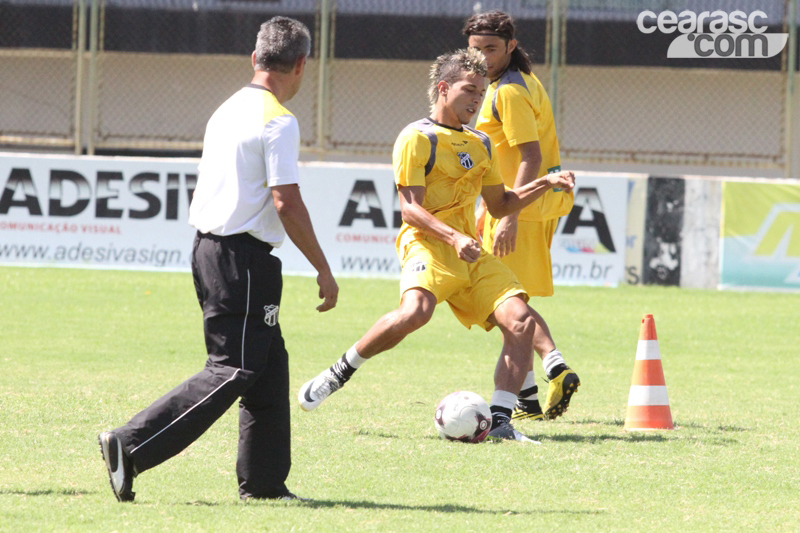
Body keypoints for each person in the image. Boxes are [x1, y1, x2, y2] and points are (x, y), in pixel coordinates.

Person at [98, 16, 339, 502]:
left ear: (254, 58)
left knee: (268, 368)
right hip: (242, 258)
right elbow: (286, 201)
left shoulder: (228, 107)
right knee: (232, 369)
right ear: (301, 64)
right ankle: (131, 444)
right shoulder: (278, 119)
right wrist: (323, 267)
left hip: (210, 250)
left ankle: (265, 484)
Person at [297, 48, 574, 442]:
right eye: (469, 91)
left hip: (470, 252)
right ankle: (339, 371)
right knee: (416, 312)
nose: (477, 100)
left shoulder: (481, 143)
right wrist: (453, 236)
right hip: (427, 244)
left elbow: (501, 204)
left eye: (481, 93)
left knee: (522, 321)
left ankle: (499, 423)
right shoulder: (417, 138)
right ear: (443, 89)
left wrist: (545, 183)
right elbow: (410, 210)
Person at [464, 10, 579, 421]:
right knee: (510, 303)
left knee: (505, 302)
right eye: (475, 49)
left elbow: (529, 154)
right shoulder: (517, 82)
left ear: (511, 46)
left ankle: (555, 366)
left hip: (520, 209)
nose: (482, 57)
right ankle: (529, 398)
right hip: (525, 205)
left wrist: (509, 214)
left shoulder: (509, 91)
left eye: (491, 49)